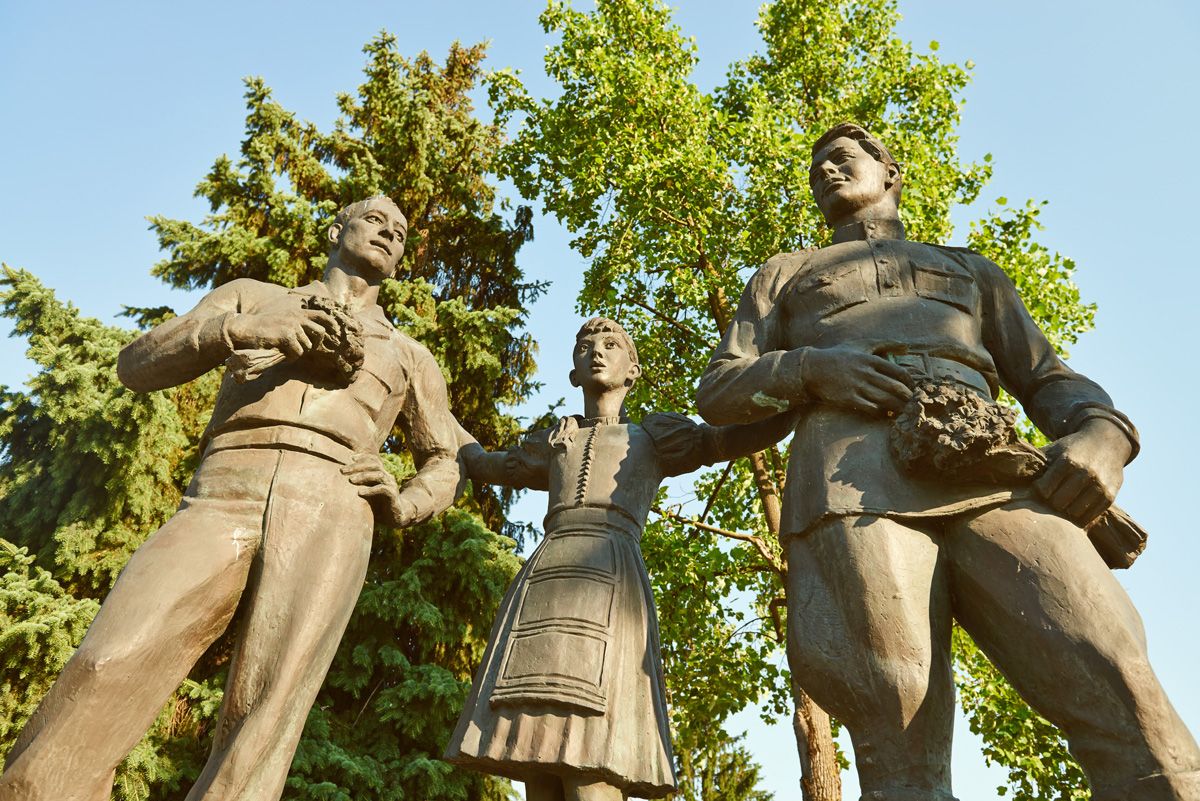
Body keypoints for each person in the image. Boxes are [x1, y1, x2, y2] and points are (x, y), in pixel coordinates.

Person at [695, 123, 1200, 801]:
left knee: (1116, 668)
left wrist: (1104, 433)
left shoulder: (971, 271)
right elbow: (721, 392)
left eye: (843, 159)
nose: (827, 171)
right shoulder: (784, 276)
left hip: (995, 474)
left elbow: (1047, 376)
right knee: (897, 707)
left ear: (890, 170)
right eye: (816, 168)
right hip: (855, 481)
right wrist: (811, 368)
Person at [0, 196, 464, 801]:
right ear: (336, 229)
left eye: (400, 233)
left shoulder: (408, 356)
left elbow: (445, 459)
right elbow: (137, 364)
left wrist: (404, 503)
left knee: (267, 708)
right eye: (375, 220)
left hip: (334, 506)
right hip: (225, 488)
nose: (389, 233)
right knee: (111, 656)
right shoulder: (252, 295)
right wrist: (233, 330)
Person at [445, 317, 793, 801]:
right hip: (543, 584)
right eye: (585, 346)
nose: (597, 352)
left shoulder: (653, 437)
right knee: (534, 764)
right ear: (572, 373)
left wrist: (802, 391)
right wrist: (428, 399)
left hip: (611, 577)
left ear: (634, 369)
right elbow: (484, 462)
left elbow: (726, 439)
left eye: (611, 345)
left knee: (595, 765)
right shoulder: (553, 441)